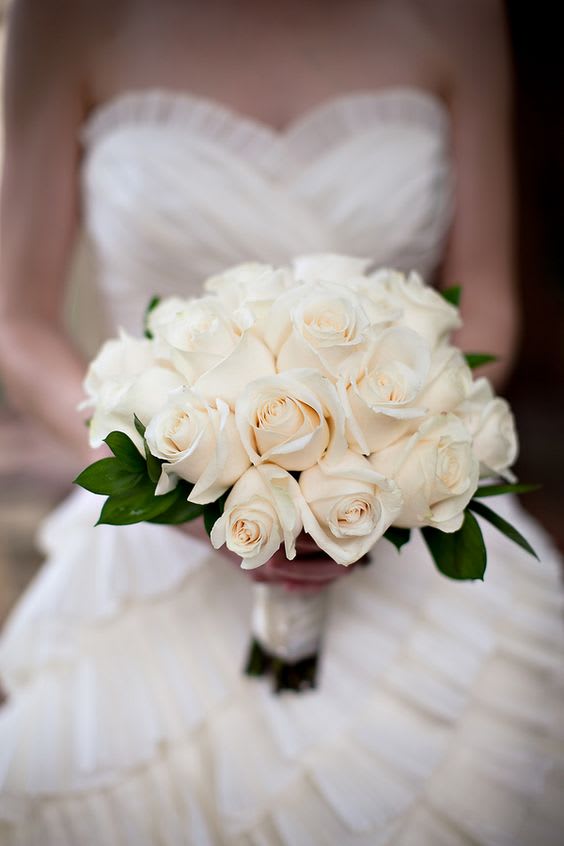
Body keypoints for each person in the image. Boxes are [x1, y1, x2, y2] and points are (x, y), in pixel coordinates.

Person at [0, 1, 562, 843]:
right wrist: (178, 486)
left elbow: (486, 302)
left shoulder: (461, 14)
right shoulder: (63, 17)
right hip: (164, 514)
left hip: (396, 513)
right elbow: (18, 320)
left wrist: (376, 467)